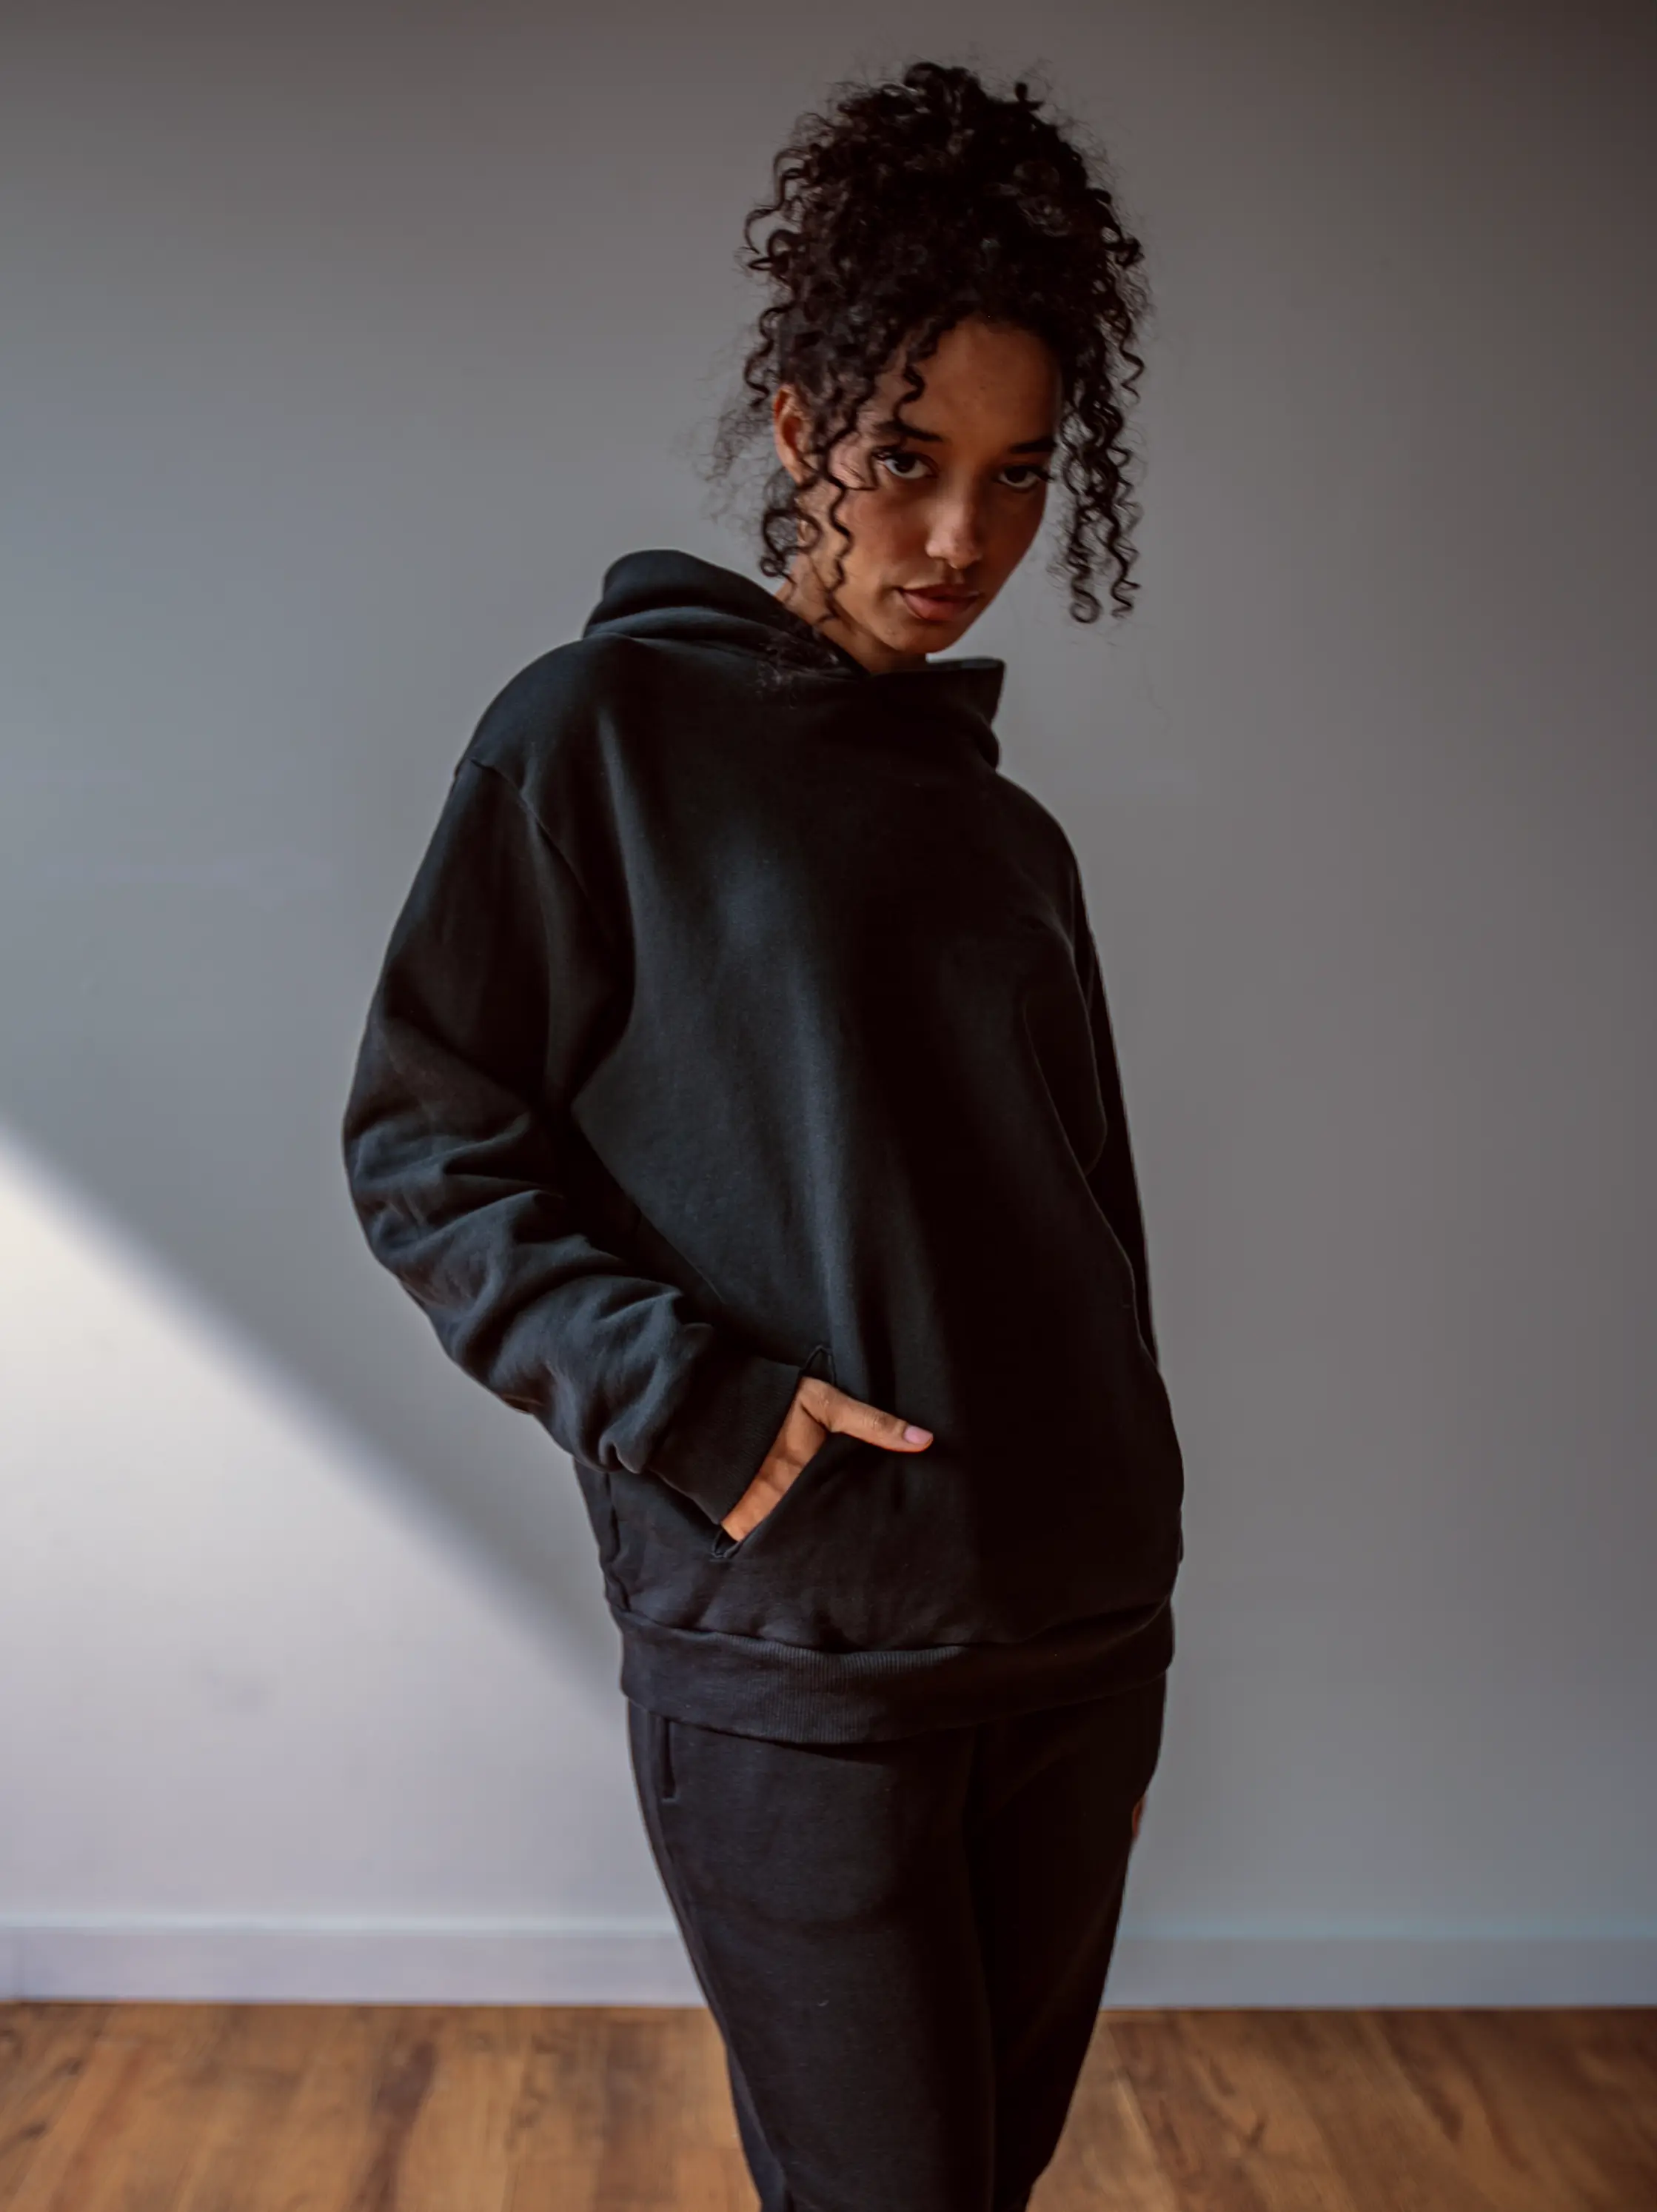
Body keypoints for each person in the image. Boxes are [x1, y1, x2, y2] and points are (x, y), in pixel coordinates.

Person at [341, 57, 1184, 2212]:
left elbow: (1092, 1231)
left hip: (1077, 1642)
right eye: (908, 463)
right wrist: (696, 1411)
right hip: (796, 1659)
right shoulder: (598, 739)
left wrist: (1130, 1524)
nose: (959, 541)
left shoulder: (1009, 838)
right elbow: (427, 1149)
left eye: (1016, 477)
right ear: (802, 430)